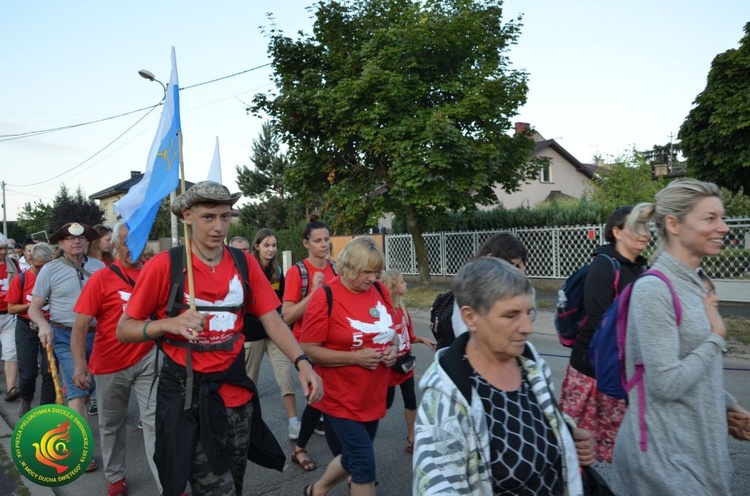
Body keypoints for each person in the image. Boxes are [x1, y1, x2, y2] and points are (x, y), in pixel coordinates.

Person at [116, 181, 323, 496]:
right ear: (188, 216)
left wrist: (302, 362)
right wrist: (167, 324)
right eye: (209, 217)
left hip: (236, 395)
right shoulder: (165, 266)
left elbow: (273, 320)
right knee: (216, 488)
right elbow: (125, 328)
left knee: (233, 483)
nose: (219, 226)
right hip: (189, 396)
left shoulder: (243, 263)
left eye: (225, 217)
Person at [611, 178, 750, 495]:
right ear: (673, 224)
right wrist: (715, 337)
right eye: (710, 218)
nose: (724, 227)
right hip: (664, 464)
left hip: (698, 455)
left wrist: (726, 404)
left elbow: (691, 363)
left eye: (722, 217)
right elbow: (665, 383)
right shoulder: (654, 289)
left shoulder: (697, 283)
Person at [414, 257, 595, 495]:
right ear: (470, 317)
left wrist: (567, 433)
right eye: (511, 315)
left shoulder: (530, 363)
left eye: (528, 313)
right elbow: (438, 487)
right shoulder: (446, 398)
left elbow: (536, 420)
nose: (527, 327)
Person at [300, 237, 399, 496]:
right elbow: (309, 348)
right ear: (348, 267)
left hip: (372, 395)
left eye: (376, 272)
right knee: (364, 466)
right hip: (340, 398)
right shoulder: (326, 296)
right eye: (366, 272)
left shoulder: (379, 291)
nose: (372, 278)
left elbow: (392, 332)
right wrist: (354, 358)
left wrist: (394, 349)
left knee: (352, 456)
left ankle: (316, 490)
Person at [71, 222, 161, 496]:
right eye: (126, 244)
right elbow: (80, 325)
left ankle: (167, 482)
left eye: (139, 244)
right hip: (110, 363)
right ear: (115, 246)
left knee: (156, 422)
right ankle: (115, 477)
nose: (134, 250)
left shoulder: (153, 273)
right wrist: (80, 365)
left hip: (148, 358)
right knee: (111, 425)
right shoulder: (101, 279)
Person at [558, 206, 649, 462]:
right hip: (591, 367)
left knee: (619, 445)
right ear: (617, 232)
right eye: (637, 228)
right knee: (575, 443)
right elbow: (599, 321)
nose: (645, 234)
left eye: (646, 228)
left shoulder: (641, 269)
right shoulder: (604, 265)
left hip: (619, 365)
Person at [28, 222, 104, 471]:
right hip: (66, 336)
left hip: (99, 336)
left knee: (94, 389)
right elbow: (34, 307)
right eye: (70, 239)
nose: (77, 242)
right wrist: (43, 325)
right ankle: (81, 451)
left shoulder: (99, 267)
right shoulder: (49, 270)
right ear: (60, 244)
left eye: (82, 238)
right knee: (78, 391)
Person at [235, 230, 301, 441]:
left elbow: (280, 303)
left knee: (285, 376)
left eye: (273, 245)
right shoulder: (247, 269)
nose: (271, 249)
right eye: (266, 245)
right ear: (257, 247)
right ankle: (242, 423)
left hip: (273, 333)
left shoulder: (277, 270)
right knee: (248, 382)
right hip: (252, 335)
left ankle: (293, 422)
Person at [282, 217, 337, 472]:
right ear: (306, 243)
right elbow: (288, 315)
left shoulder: (335, 269)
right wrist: (314, 293)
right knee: (319, 399)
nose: (324, 245)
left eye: (326, 239)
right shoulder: (298, 272)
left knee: (330, 399)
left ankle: (347, 463)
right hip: (308, 346)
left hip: (334, 343)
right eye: (317, 241)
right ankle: (300, 449)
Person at [435, 232, 530, 350]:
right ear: (490, 259)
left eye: (517, 267)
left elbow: (526, 313)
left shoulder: (499, 289)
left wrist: (522, 280)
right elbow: (464, 335)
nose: (513, 271)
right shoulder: (472, 287)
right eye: (509, 265)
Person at [380, 269, 434, 454]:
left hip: (405, 364)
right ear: (393, 287)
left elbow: (408, 335)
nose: (406, 284)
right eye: (402, 282)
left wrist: (422, 340)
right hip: (388, 367)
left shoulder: (402, 309)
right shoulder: (383, 312)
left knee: (410, 399)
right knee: (384, 405)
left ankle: (412, 437)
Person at [7, 242, 55, 415]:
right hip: (26, 326)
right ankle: (26, 399)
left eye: (47, 266)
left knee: (50, 372)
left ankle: (44, 411)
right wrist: (32, 305)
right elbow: (11, 308)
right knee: (28, 372)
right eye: (38, 266)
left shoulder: (54, 277)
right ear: (30, 259)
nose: (43, 271)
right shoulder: (21, 279)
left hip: (50, 326)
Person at [0, 233, 22, 402]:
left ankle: (11, 388)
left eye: (5, 248)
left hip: (9, 314)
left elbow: (21, 283)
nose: (3, 251)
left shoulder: (13, 263)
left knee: (11, 351)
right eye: (0, 249)